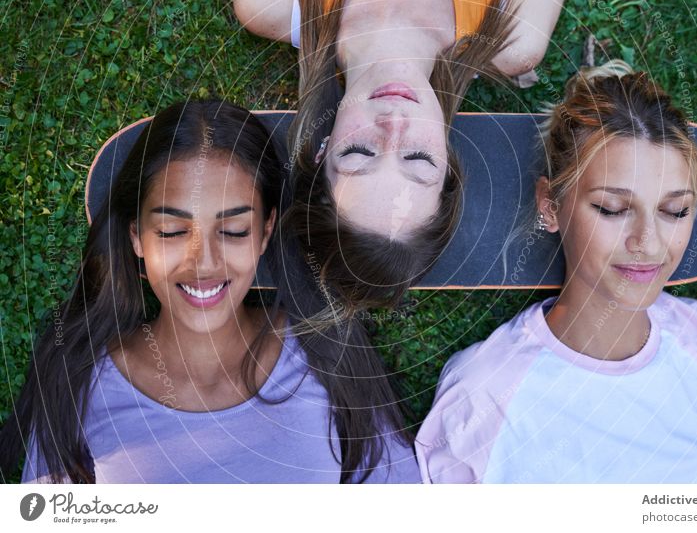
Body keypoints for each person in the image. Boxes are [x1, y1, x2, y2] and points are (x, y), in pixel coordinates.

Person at [415, 61, 697, 483]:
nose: (648, 242)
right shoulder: (483, 397)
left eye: (675, 211)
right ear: (550, 204)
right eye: (612, 209)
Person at [0, 100, 419, 483]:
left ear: (265, 231)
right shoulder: (79, 383)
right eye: (172, 231)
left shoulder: (327, 351)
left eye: (234, 230)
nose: (204, 262)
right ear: (137, 239)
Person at [233, 0, 575, 313]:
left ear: (322, 151)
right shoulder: (514, 39)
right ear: (447, 164)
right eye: (417, 157)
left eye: (361, 152)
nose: (393, 124)